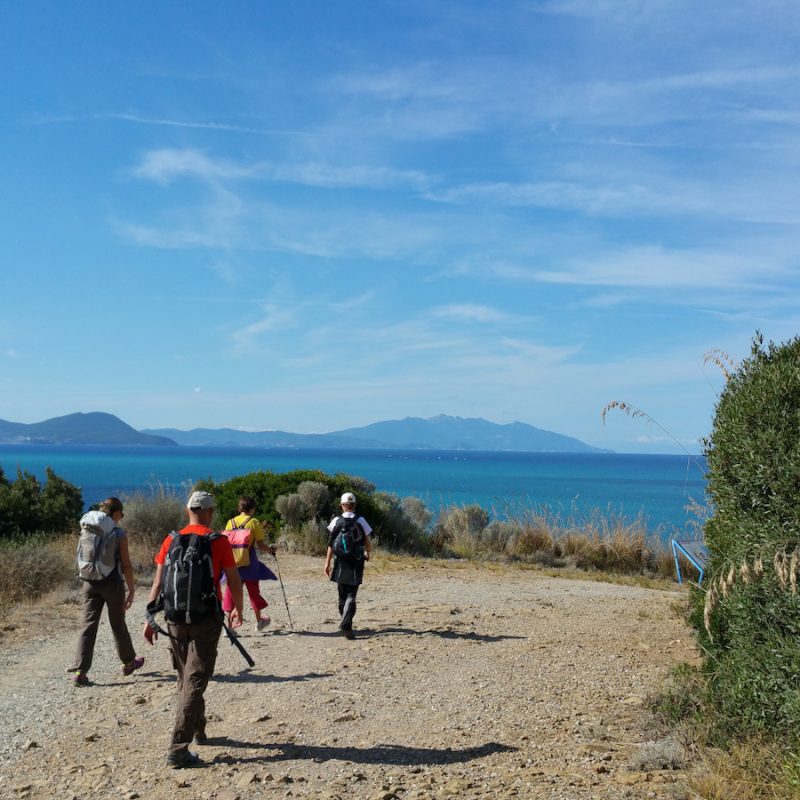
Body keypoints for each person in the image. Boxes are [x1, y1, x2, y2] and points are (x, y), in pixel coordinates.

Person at [143, 490, 243, 769]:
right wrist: (238, 608)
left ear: (187, 510)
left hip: (174, 619)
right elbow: (234, 579)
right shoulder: (217, 541)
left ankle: (197, 729)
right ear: (210, 512)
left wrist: (150, 619)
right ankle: (178, 748)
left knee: (185, 676)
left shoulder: (171, 539)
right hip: (205, 620)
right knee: (195, 680)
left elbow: (158, 583)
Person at [69, 497, 144, 686]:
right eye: (121, 514)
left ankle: (80, 671)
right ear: (116, 513)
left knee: (88, 625)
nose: (121, 518)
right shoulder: (119, 534)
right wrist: (131, 589)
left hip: (89, 582)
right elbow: (126, 565)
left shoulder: (88, 528)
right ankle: (128, 662)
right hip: (112, 583)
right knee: (118, 624)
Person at [222, 495, 277, 632]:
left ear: (240, 508)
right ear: (252, 508)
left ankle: (229, 627)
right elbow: (260, 545)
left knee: (231, 591)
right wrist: (271, 550)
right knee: (253, 591)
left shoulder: (231, 522)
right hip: (249, 563)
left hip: (233, 563)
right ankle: (259, 621)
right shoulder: (254, 522)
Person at [323, 492, 372, 640]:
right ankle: (347, 624)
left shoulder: (336, 521)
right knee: (352, 594)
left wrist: (327, 563)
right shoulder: (361, 520)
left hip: (340, 562)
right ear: (355, 505)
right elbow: (367, 541)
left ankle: (345, 621)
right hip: (356, 561)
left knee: (342, 594)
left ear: (342, 505)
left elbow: (331, 544)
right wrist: (367, 552)